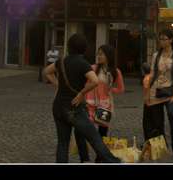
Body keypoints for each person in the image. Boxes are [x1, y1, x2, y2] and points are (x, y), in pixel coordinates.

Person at [44, 33, 120, 163]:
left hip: (58, 106)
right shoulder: (83, 63)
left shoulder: (61, 61)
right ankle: (114, 162)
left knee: (63, 143)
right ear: (84, 48)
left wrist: (58, 84)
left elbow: (46, 72)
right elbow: (95, 81)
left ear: (69, 46)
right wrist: (81, 93)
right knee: (95, 138)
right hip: (74, 108)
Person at [149, 29, 173, 160]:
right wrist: (148, 92)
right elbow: (152, 74)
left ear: (171, 40)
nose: (162, 41)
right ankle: (162, 147)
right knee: (158, 122)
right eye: (160, 39)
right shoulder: (156, 55)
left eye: (164, 39)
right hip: (157, 90)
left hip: (171, 92)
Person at [83, 44, 124, 162]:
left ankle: (99, 158)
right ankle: (87, 156)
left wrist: (110, 90)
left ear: (108, 56)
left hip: (105, 107)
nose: (98, 56)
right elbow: (85, 85)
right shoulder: (92, 68)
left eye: (101, 54)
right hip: (90, 104)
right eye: (98, 54)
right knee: (87, 131)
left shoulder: (115, 72)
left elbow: (121, 89)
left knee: (102, 133)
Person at [142, 62, 165, 142]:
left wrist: (146, 101)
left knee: (148, 124)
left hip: (150, 103)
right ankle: (161, 142)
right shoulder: (157, 77)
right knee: (158, 123)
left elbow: (146, 91)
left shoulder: (146, 79)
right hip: (158, 103)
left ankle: (149, 142)